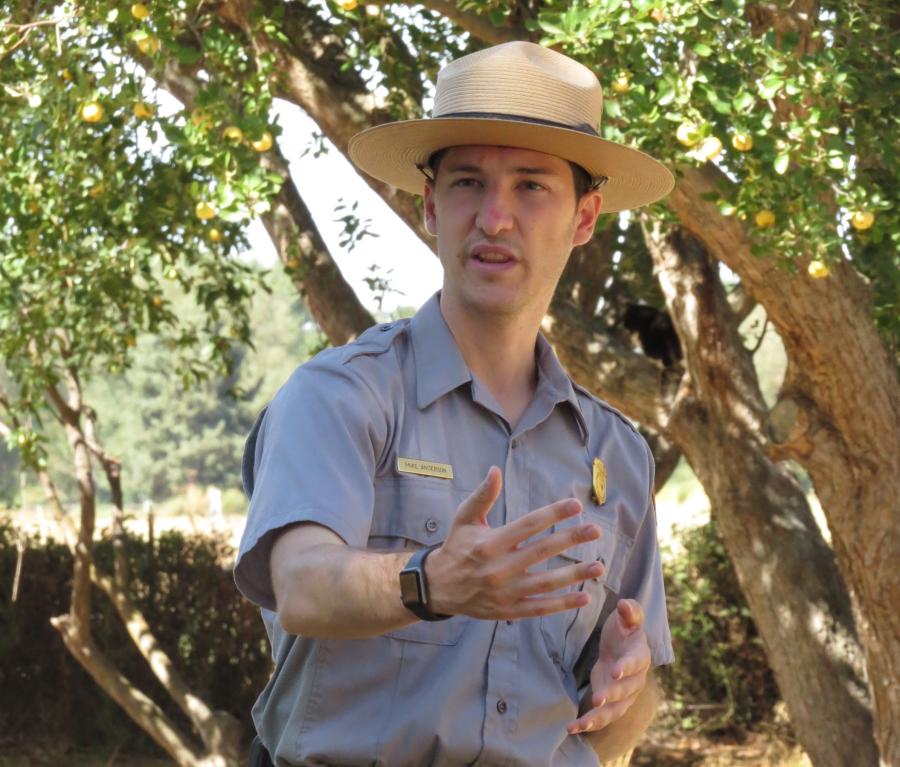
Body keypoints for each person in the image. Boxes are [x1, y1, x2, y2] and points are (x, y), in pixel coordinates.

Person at [236, 41, 675, 767]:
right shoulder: (342, 396)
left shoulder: (615, 454)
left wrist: (624, 686)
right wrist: (430, 580)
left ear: (586, 216)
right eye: (469, 182)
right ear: (433, 204)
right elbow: (302, 584)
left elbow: (618, 727)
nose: (495, 217)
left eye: (532, 186)